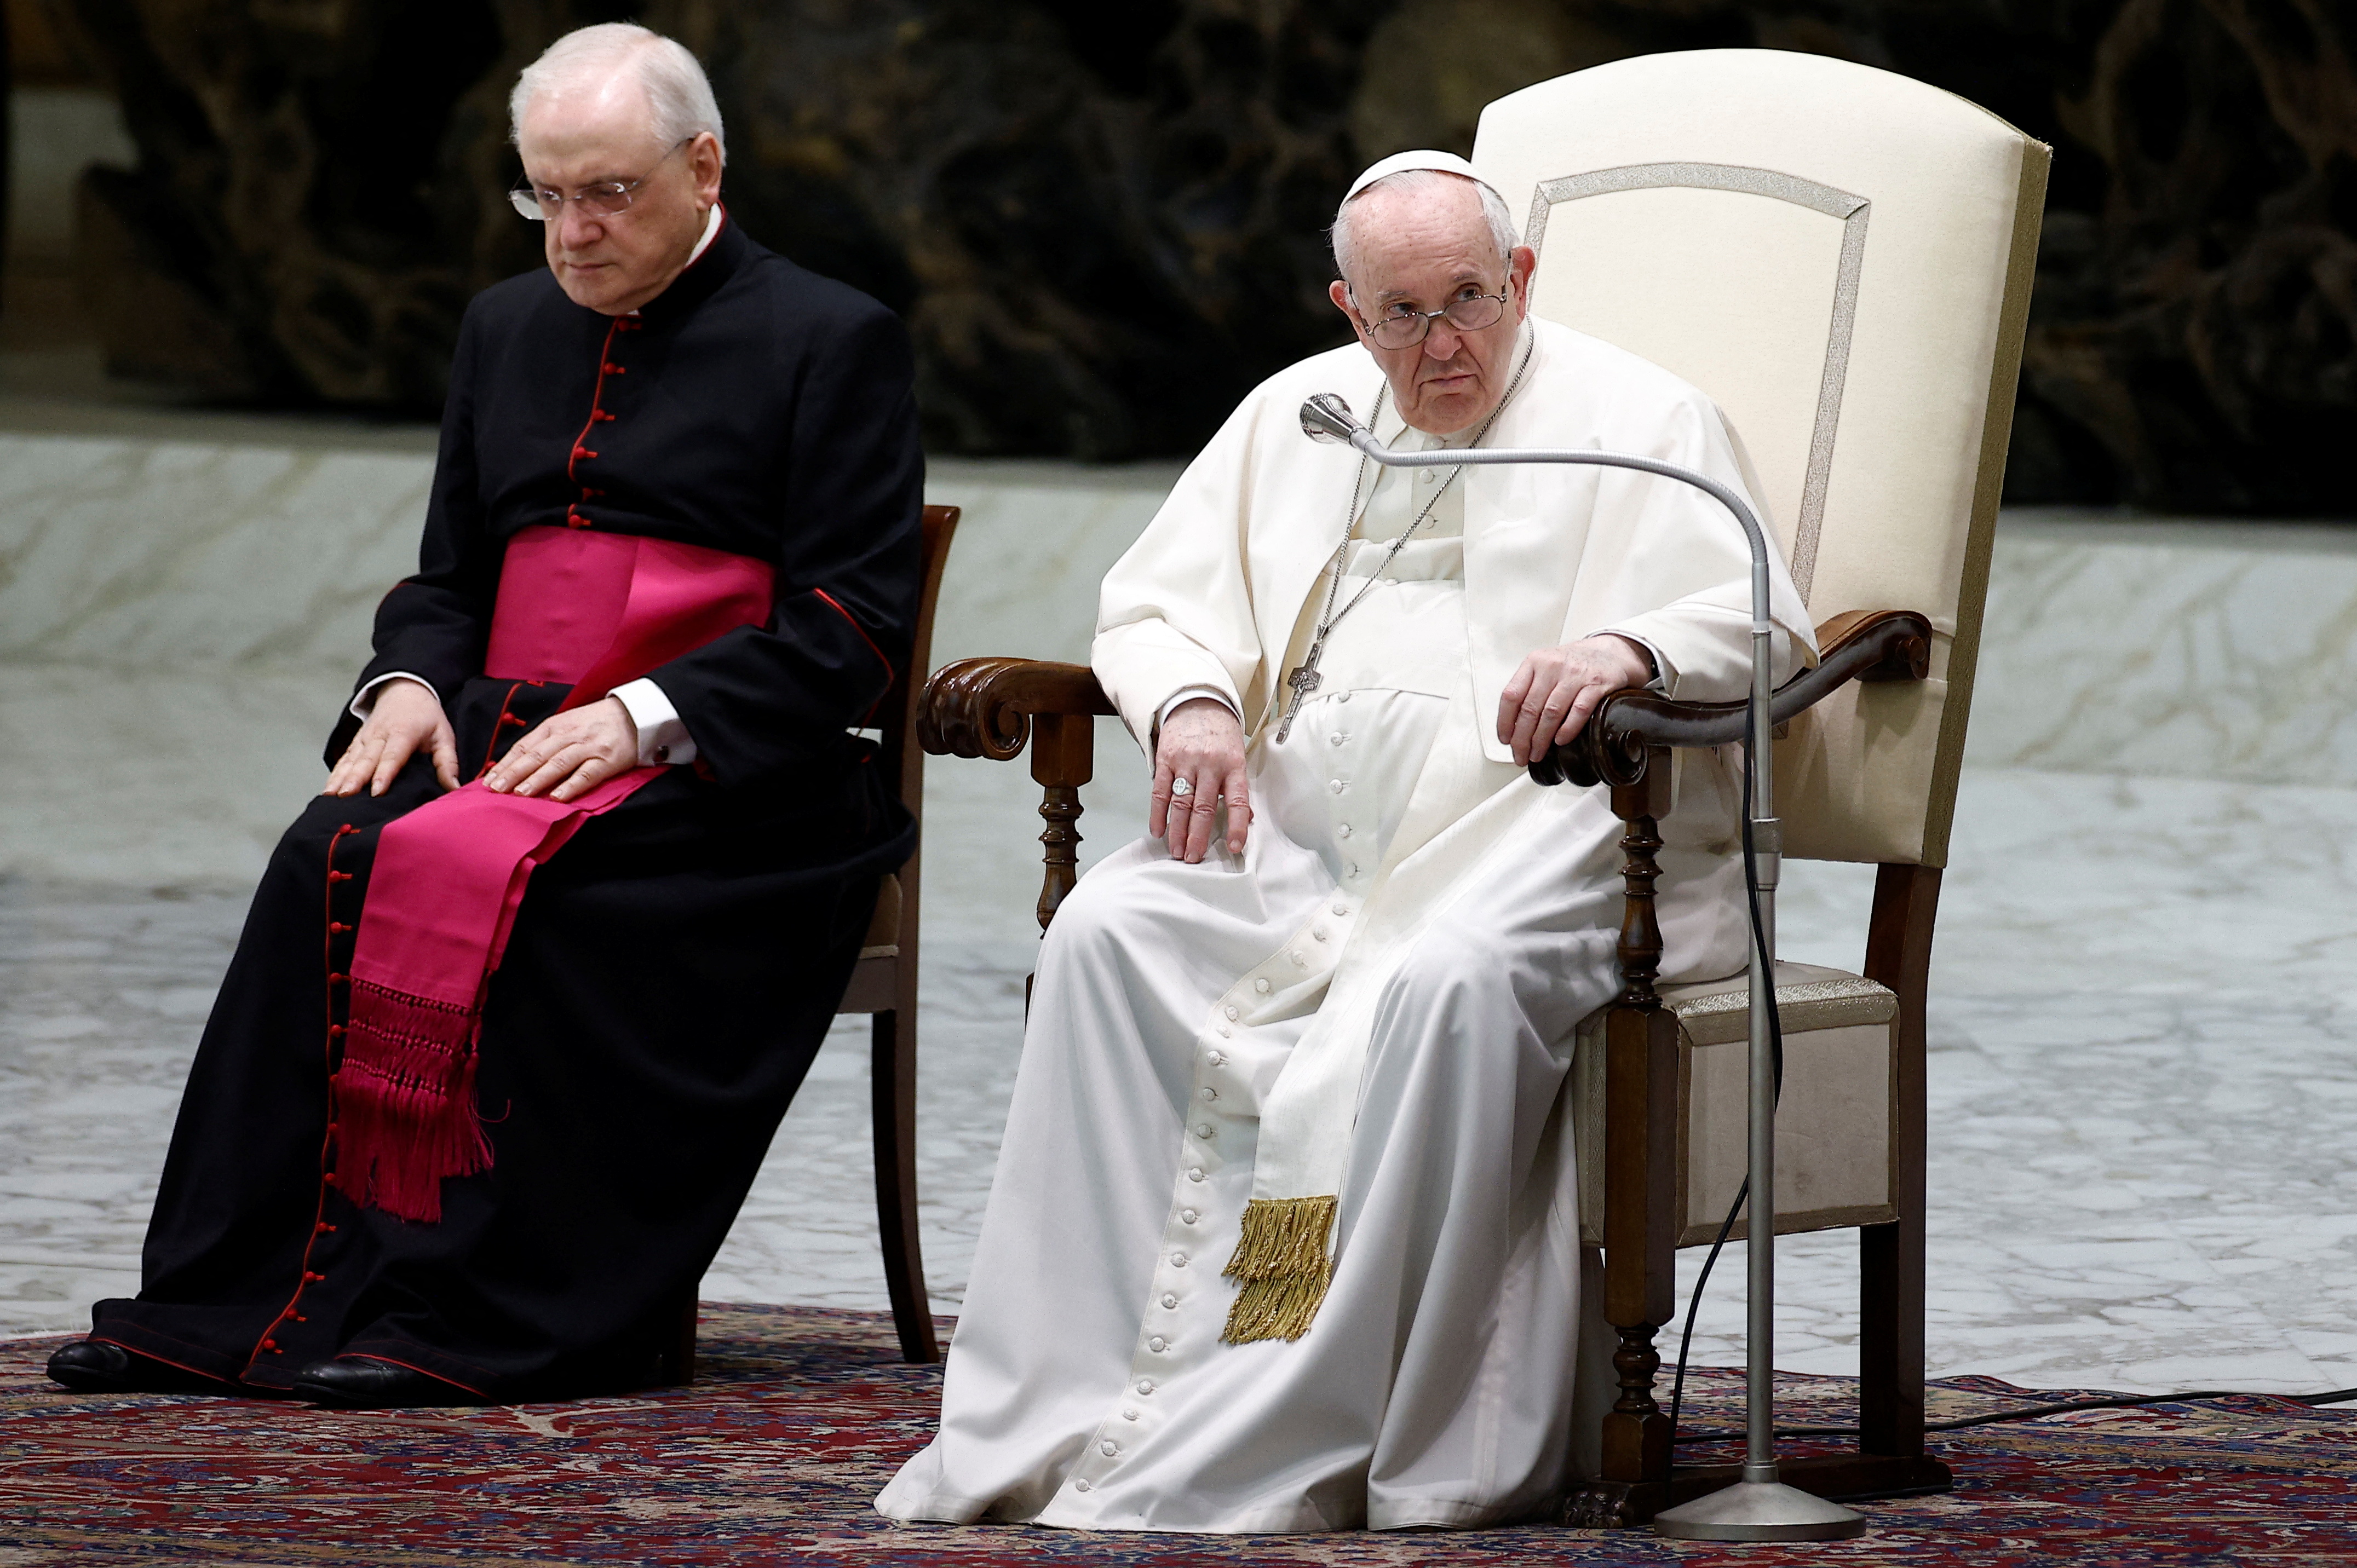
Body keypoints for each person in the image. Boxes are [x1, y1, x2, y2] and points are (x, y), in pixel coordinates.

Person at [877, 151, 1812, 1531]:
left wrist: (1628, 643)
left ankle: (1351, 1417)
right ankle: (1075, 1399)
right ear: (1346, 309)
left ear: (1524, 279)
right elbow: (1156, 607)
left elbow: (1764, 623)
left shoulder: (1638, 419)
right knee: (1110, 931)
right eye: (1401, 315)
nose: (1443, 347)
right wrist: (1191, 703)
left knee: (1440, 982)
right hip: (1309, 845)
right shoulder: (1299, 415)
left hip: (1547, 836)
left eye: (1470, 302)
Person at [44, 23, 923, 1408]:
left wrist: (646, 712)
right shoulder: (504, 327)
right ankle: (222, 1303)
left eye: (608, 193)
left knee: (545, 893)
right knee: (322, 853)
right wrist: (400, 681)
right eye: (544, 194)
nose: (571, 231)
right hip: (504, 729)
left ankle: (471, 1312)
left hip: (734, 778)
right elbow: (449, 577)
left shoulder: (832, 337)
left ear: (704, 167)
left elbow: (852, 627)